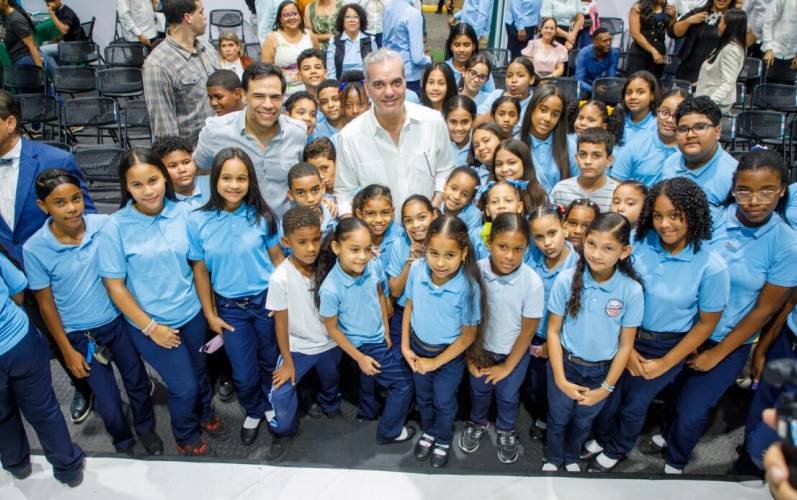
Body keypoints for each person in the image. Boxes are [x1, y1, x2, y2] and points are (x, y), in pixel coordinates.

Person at [648, 150, 797, 474]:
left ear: (782, 190)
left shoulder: (786, 244)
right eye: (745, 190)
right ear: (734, 189)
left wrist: (718, 354)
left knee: (693, 410)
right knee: (673, 393)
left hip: (728, 341)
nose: (754, 200)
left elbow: (763, 311)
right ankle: (665, 434)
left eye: (766, 190)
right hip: (686, 329)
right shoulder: (712, 219)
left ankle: (675, 462)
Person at [585, 177, 729, 472]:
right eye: (658, 215)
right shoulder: (639, 243)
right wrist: (627, 348)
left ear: (694, 213)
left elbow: (705, 325)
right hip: (625, 333)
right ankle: (602, 436)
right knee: (608, 395)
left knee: (634, 404)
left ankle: (618, 448)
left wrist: (664, 364)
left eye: (675, 215)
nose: (665, 224)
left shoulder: (712, 266)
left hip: (667, 345)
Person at [23, 169, 163, 456]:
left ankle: (146, 428)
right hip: (80, 336)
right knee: (107, 400)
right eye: (60, 203)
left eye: (76, 198)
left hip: (117, 322)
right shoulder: (35, 248)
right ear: (43, 206)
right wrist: (67, 351)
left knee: (136, 381)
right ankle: (123, 440)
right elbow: (46, 305)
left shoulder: (104, 225)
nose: (72, 208)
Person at [98, 148, 225, 457]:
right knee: (183, 387)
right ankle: (184, 434)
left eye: (153, 180)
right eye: (137, 185)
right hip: (151, 325)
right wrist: (151, 327)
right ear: (126, 187)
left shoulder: (184, 214)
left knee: (199, 373)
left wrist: (207, 311)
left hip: (191, 314)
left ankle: (205, 413)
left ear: (163, 178)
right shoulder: (115, 226)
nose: (148, 190)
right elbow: (115, 287)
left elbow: (197, 266)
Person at [0, 90, 96, 424]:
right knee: (54, 341)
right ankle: (81, 386)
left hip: (63, 271)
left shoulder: (55, 160)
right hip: (11, 277)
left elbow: (88, 214)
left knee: (88, 334)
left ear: (10, 122)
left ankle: (105, 383)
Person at [187, 148, 284, 446]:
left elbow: (280, 262)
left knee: (271, 361)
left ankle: (271, 407)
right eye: (227, 178)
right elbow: (200, 271)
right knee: (242, 371)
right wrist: (209, 313)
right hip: (230, 308)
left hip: (266, 301)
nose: (234, 185)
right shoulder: (198, 221)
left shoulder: (263, 216)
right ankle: (253, 409)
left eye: (241, 178)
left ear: (250, 181)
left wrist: (285, 302)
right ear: (215, 180)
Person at [541, 212, 643, 472]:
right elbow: (553, 332)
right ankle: (553, 457)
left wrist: (606, 388)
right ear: (583, 241)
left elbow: (625, 346)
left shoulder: (631, 290)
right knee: (558, 417)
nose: (597, 254)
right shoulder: (566, 280)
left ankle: (572, 456)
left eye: (608, 248)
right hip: (565, 364)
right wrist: (561, 379)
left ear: (624, 251)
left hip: (601, 372)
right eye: (592, 244)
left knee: (583, 421)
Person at [317, 217, 416, 444]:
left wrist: (386, 329)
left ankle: (366, 415)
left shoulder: (372, 264)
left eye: (367, 249)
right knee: (402, 384)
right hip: (361, 345)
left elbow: (379, 293)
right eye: (354, 250)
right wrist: (360, 356)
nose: (362, 256)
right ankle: (389, 431)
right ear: (336, 247)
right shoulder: (330, 289)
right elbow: (332, 329)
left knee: (369, 383)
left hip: (378, 336)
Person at [402, 214, 483, 468]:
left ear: (463, 253)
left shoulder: (468, 288)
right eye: (433, 253)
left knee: (444, 400)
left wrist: (435, 362)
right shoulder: (416, 270)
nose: (439, 262)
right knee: (423, 398)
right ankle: (429, 431)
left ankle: (444, 438)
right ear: (425, 249)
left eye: (449, 255)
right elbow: (409, 306)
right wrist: (405, 346)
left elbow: (468, 335)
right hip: (417, 349)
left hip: (448, 356)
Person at [462, 213, 543, 464]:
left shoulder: (532, 282)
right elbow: (466, 318)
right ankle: (478, 422)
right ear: (489, 244)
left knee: (508, 396)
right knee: (479, 392)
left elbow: (527, 331)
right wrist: (469, 355)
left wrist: (508, 366)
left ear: (526, 248)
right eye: (502, 247)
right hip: (480, 349)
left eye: (518, 249)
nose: (509, 256)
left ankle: (506, 429)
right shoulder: (475, 272)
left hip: (513, 354)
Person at [0, 251, 85, 487]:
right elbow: (17, 292)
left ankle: (16, 465)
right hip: (19, 344)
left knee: (2, 416)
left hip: (17, 345)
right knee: (44, 409)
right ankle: (68, 469)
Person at [336, 49, 454, 215]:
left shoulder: (433, 122)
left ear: (406, 82)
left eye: (396, 82)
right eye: (379, 85)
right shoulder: (349, 138)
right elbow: (345, 195)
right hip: (375, 238)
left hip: (428, 231)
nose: (389, 92)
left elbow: (444, 171)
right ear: (367, 88)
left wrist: (432, 210)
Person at [267, 206, 343, 460]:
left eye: (315, 240)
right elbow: (280, 324)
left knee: (331, 380)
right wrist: (288, 362)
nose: (311, 247)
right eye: (302, 242)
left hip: (331, 343)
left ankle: (330, 405)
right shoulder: (280, 278)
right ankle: (284, 431)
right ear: (286, 242)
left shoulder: (330, 266)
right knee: (281, 393)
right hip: (299, 348)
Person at [194, 63, 307, 218]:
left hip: (284, 231)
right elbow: (198, 170)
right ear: (244, 95)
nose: (268, 105)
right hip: (236, 232)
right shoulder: (215, 131)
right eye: (259, 96)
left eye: (274, 97)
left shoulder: (297, 132)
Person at [526, 204, 579, 440]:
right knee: (534, 385)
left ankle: (548, 421)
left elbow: (577, 311)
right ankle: (539, 413)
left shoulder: (577, 265)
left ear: (565, 227)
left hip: (559, 339)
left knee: (554, 386)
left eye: (552, 233)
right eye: (539, 237)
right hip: (531, 333)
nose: (547, 243)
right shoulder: (531, 256)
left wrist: (552, 342)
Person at [143, 0, 218, 147]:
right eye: (201, 12)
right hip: (191, 156)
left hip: (220, 148)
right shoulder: (158, 65)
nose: (204, 17)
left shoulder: (208, 50)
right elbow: (165, 131)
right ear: (188, 17)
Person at [661, 96, 737, 220]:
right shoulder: (670, 162)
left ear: (717, 132)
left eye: (700, 127)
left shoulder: (733, 175)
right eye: (683, 129)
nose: (690, 135)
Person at [387, 195, 437, 352]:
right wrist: (411, 261)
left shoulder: (444, 241)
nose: (416, 225)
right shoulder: (399, 243)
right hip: (403, 314)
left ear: (434, 215)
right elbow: (395, 291)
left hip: (433, 314)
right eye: (408, 220)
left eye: (422, 217)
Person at [612, 88, 687, 187]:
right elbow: (616, 185)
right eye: (665, 113)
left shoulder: (692, 150)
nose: (669, 120)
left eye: (677, 115)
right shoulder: (635, 146)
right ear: (657, 112)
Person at [520, 85, 577, 193]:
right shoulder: (516, 142)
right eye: (543, 110)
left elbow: (578, 184)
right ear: (531, 109)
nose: (547, 118)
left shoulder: (570, 145)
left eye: (555, 114)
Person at [551, 127, 618, 213]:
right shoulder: (561, 190)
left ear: (609, 160)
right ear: (576, 158)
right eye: (583, 154)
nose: (587, 161)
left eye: (596, 155)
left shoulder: (617, 193)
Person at [695, 9, 748, 113]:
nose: (719, 25)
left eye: (721, 22)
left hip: (715, 102)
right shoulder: (727, 45)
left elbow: (728, 82)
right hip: (708, 97)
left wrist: (711, 102)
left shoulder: (731, 49)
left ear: (728, 26)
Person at [261, 0, 319, 95]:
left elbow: (319, 62)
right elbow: (266, 71)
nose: (291, 17)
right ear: (280, 19)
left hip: (311, 90)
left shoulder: (310, 35)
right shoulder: (273, 38)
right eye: (286, 15)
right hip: (285, 92)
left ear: (300, 16)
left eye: (294, 13)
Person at [668, 0, 733, 83]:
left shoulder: (734, 18)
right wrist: (689, 21)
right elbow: (674, 33)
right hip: (688, 70)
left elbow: (746, 43)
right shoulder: (698, 12)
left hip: (714, 74)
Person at [382, 0, 430, 93]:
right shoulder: (413, 14)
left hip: (390, 71)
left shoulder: (387, 9)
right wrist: (428, 59)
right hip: (409, 76)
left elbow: (384, 44)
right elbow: (417, 58)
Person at [0, 0, 54, 82]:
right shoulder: (5, 17)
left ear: (5, 1)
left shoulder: (15, 19)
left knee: (43, 94)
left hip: (26, 61)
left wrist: (40, 72)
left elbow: (32, 46)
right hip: (20, 60)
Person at [491, 138, 549, 215]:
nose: (504, 169)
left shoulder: (539, 196)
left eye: (511, 163)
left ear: (525, 164)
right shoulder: (488, 194)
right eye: (499, 164)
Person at [352, 185, 402, 272]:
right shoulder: (352, 238)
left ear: (392, 212)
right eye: (370, 213)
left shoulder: (401, 236)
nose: (378, 220)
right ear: (359, 214)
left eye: (385, 212)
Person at [152, 136, 211, 208]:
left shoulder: (213, 183)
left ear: (194, 163)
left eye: (186, 162)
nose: (182, 170)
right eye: (173, 166)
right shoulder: (159, 200)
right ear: (161, 171)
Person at [626, 0, 675, 78]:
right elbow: (635, 33)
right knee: (636, 81)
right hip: (640, 54)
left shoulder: (667, 8)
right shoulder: (638, 7)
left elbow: (671, 33)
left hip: (659, 55)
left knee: (654, 85)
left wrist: (673, 18)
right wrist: (653, 51)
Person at [326, 3, 376, 80]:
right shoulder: (334, 42)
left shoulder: (370, 40)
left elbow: (375, 68)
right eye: (348, 17)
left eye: (355, 17)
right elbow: (331, 72)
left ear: (361, 20)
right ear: (342, 21)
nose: (352, 20)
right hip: (342, 85)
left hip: (365, 84)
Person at [287, 162, 337, 236]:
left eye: (315, 190)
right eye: (301, 193)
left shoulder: (335, 215)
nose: (310, 199)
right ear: (291, 195)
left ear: (323, 188)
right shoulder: (286, 227)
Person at [617, 71, 660, 147]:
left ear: (652, 95)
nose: (633, 97)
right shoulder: (618, 119)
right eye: (628, 92)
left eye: (640, 92)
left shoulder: (658, 125)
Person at [760, 0, 797, 85]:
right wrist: (769, 49)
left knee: (787, 94)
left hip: (792, 56)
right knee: (766, 90)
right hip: (772, 52)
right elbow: (768, 24)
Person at [574, 27, 619, 95]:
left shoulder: (613, 53)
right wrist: (593, 89)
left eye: (610, 39)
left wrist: (611, 86)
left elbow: (611, 78)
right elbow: (579, 81)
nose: (609, 43)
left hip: (603, 85)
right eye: (605, 41)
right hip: (586, 85)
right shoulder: (583, 54)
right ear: (595, 42)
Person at [440, 167, 481, 232]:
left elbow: (472, 240)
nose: (456, 197)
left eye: (465, 195)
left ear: (471, 199)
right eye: (453, 188)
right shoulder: (436, 208)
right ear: (445, 185)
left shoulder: (472, 214)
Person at [444, 95, 476, 168]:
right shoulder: (438, 144)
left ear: (473, 120)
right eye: (453, 122)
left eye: (465, 122)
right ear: (445, 121)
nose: (459, 128)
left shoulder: (478, 145)